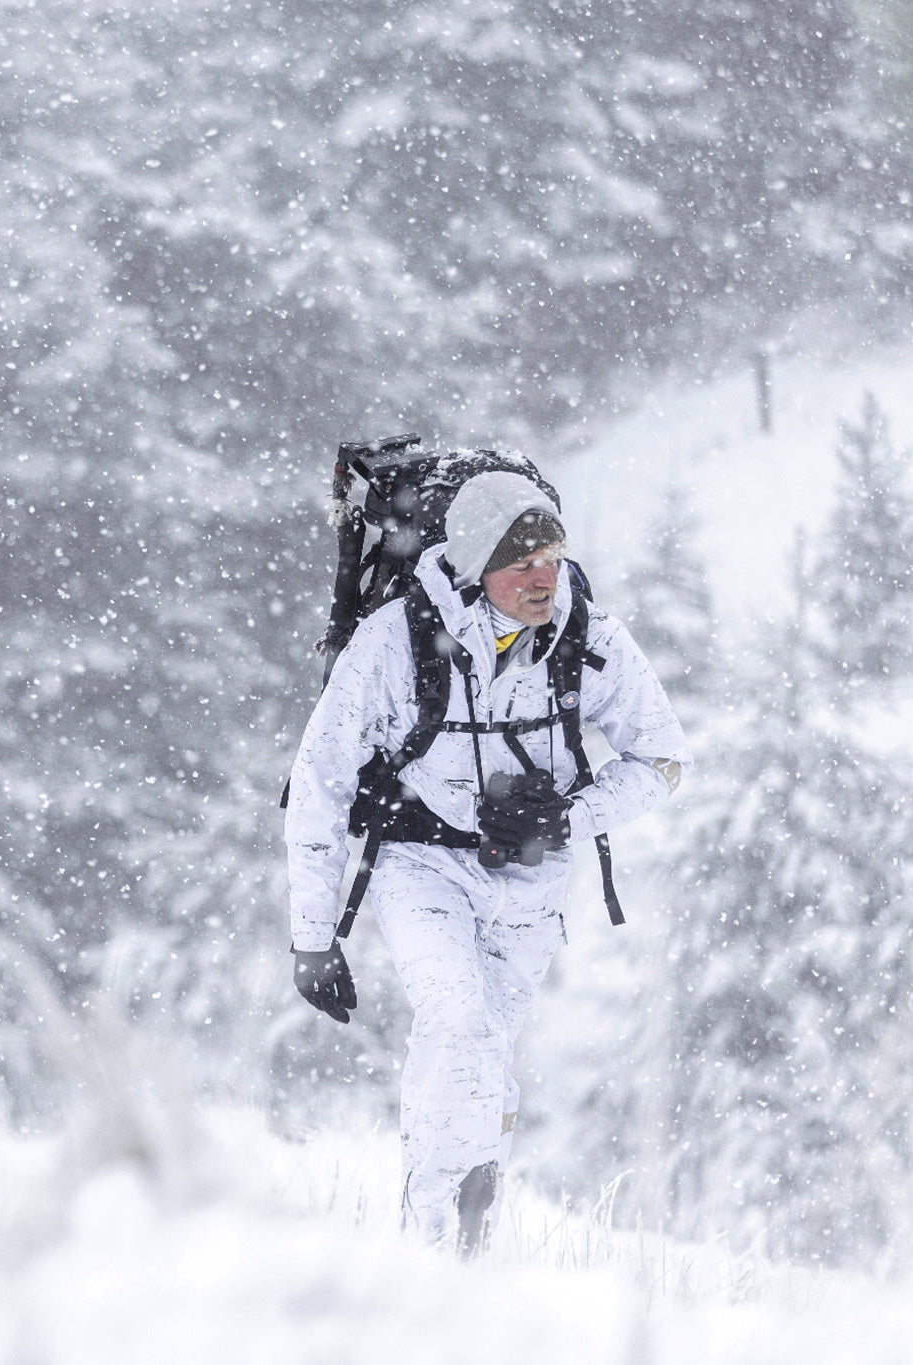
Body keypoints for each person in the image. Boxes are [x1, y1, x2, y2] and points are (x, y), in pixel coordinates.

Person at [283, 467, 692, 1253]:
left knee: (478, 1054)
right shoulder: (396, 643)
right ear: (475, 568)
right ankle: (435, 1233)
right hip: (419, 862)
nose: (543, 578)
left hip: (530, 881)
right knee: (457, 1023)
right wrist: (311, 935)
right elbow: (320, 782)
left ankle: (460, 1239)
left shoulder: (588, 637)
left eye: (551, 557)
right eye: (520, 564)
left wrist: (569, 815)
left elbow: (664, 761)